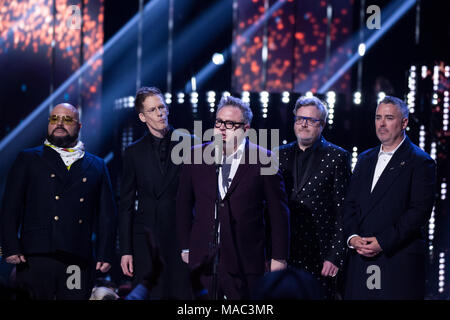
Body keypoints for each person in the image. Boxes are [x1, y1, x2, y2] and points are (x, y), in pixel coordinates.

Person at [176, 95, 290, 299]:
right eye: (219, 121)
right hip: (203, 256)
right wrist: (185, 246)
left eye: (230, 124)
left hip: (245, 257)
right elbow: (183, 205)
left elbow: (278, 213)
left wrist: (279, 257)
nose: (221, 128)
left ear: (245, 128)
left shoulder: (264, 159)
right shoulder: (194, 156)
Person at [0, 103, 116, 300]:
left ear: (79, 126)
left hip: (77, 257)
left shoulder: (97, 165)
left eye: (67, 119)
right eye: (54, 119)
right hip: (35, 255)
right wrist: (9, 246)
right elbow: (10, 207)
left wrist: (105, 253)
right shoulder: (28, 159)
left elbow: (107, 215)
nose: (59, 123)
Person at [343, 96, 436, 299]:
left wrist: (383, 242)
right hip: (361, 258)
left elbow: (419, 212)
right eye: (378, 117)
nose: (382, 124)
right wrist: (353, 238)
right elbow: (349, 204)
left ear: (404, 122)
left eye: (389, 117)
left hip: (397, 260)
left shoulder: (420, 162)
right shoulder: (364, 159)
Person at [119, 86, 192, 299]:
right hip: (146, 240)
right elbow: (125, 205)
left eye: (162, 107)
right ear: (142, 117)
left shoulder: (191, 143)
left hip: (181, 237)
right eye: (153, 110)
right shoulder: (133, 152)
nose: (160, 113)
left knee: (180, 294)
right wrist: (126, 250)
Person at [277, 96, 351, 299]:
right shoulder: (278, 154)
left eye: (311, 120)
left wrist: (335, 256)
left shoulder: (337, 157)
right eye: (300, 118)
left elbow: (343, 210)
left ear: (322, 125)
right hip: (285, 251)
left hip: (320, 254)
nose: (304, 124)